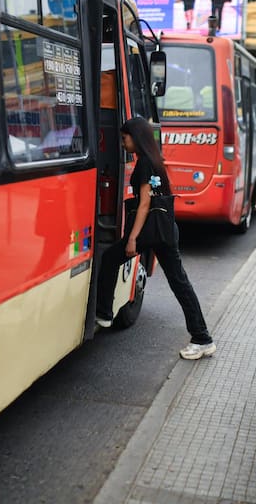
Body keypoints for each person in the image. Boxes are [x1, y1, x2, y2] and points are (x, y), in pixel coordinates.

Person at [95, 117, 216, 360]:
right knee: (180, 283)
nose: (123, 142)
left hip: (151, 232)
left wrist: (132, 238)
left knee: (109, 258)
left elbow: (144, 205)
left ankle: (104, 314)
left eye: (125, 137)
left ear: (136, 137)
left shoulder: (144, 165)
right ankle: (201, 337)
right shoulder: (155, 161)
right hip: (163, 231)